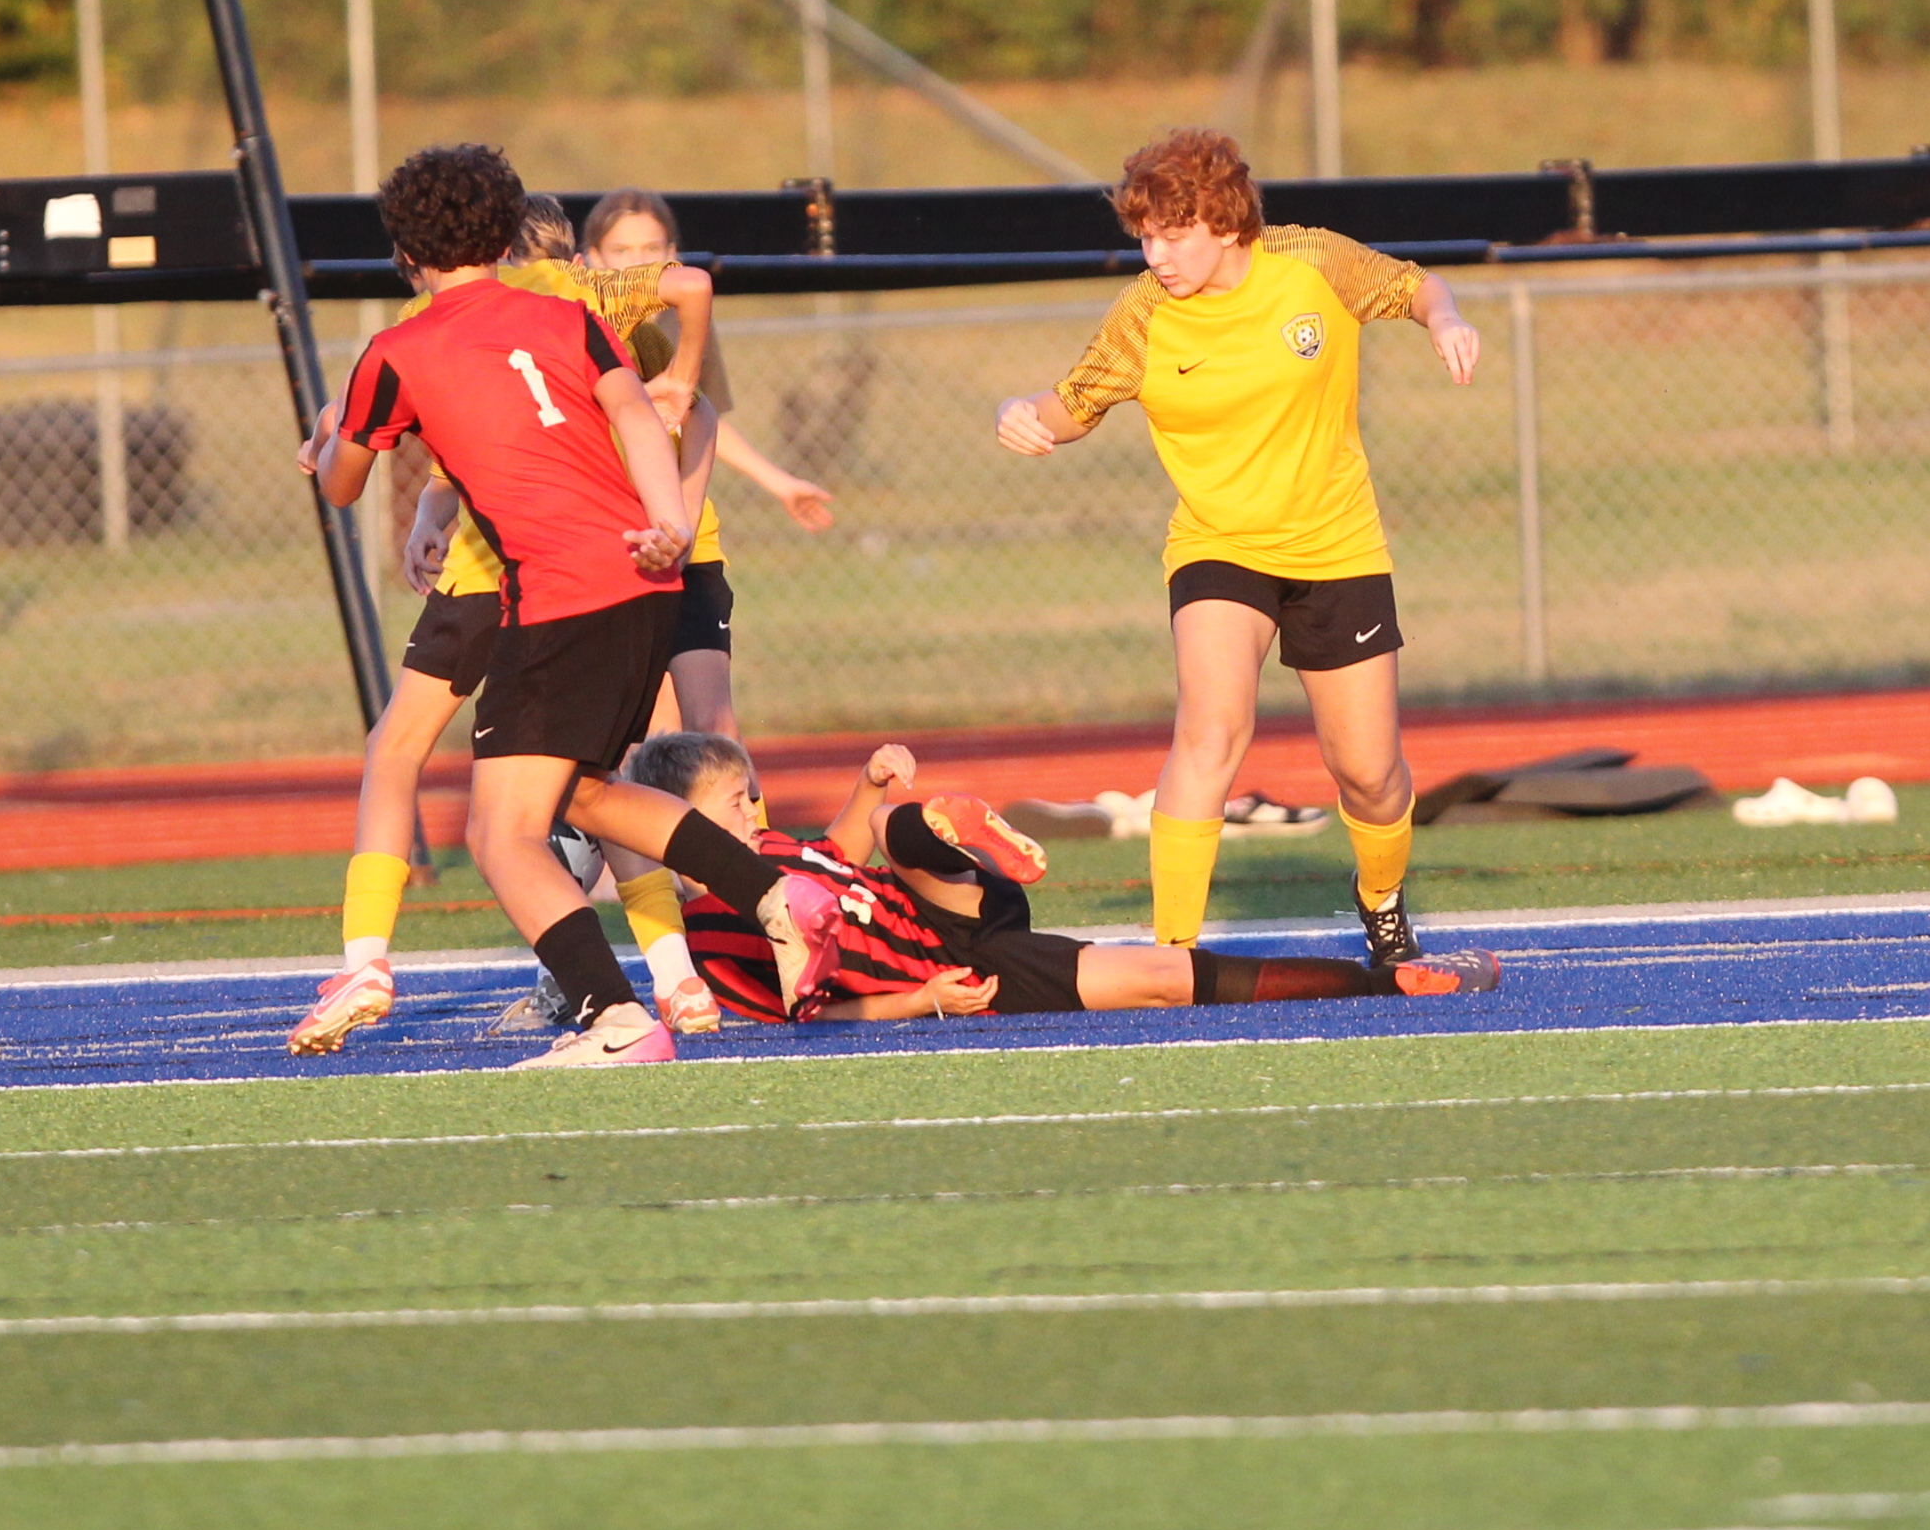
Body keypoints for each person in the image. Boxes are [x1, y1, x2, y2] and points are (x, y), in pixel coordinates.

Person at [294, 143, 814, 1068]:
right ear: (506, 233)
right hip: (645, 577)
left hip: (556, 593)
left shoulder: (397, 347)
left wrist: (332, 438)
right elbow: (638, 413)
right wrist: (668, 524)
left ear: (403, 251)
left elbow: (342, 485)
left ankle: (615, 1018)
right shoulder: (567, 313)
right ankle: (779, 894)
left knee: (502, 834)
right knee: (588, 792)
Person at [991, 128, 1478, 967]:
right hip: (1218, 544)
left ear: (1224, 222)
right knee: (1210, 730)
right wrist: (1022, 413)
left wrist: (1448, 319)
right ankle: (1171, 954)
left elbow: (1415, 286)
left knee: (1368, 772)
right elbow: (1075, 402)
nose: (1156, 255)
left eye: (1173, 235)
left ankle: (1382, 904)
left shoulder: (1311, 261)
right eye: (1144, 237)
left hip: (1337, 546)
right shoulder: (1145, 311)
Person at [616, 729, 1501, 1021]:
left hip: (951, 903)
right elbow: (806, 1012)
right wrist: (922, 1001)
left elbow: (840, 852)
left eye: (753, 795)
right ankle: (1388, 982)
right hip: (963, 974)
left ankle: (943, 826)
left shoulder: (768, 851)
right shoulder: (714, 936)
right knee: (1162, 978)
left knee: (889, 827)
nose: (753, 813)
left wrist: (869, 784)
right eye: (733, 804)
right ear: (674, 829)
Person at [572, 187, 838, 737]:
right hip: (609, 530)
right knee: (644, 720)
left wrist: (779, 482)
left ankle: (727, 795)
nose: (638, 262)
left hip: (681, 527)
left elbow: (698, 414)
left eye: (652, 249)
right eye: (622, 251)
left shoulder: (683, 322)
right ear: (589, 259)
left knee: (704, 719)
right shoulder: (578, 321)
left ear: (673, 252)